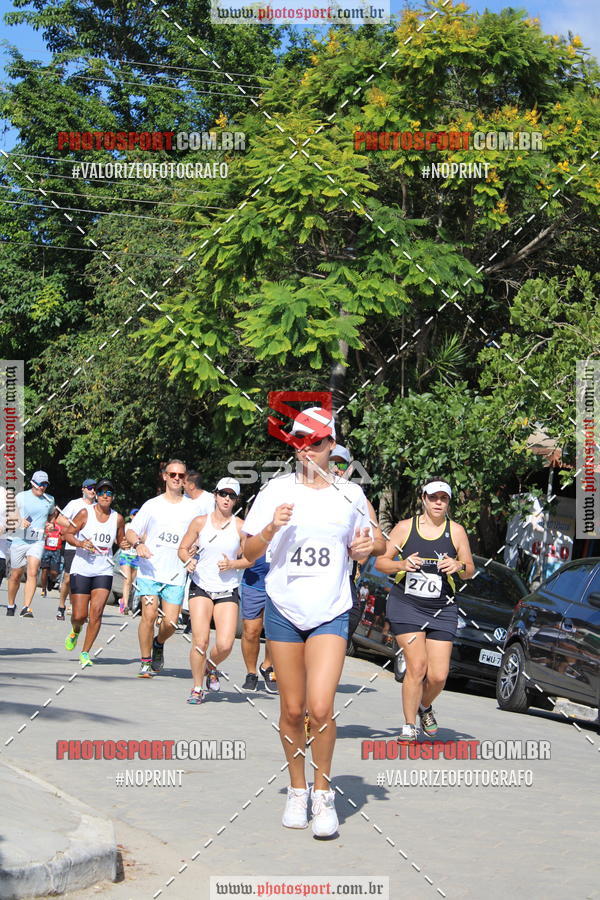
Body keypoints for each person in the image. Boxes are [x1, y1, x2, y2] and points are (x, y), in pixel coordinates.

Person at [243, 407, 376, 837]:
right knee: (292, 709)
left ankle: (323, 793)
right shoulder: (274, 491)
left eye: (315, 442)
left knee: (320, 707)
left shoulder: (351, 495)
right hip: (285, 609)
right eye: (299, 440)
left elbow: (371, 542)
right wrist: (269, 530)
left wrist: (363, 550)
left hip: (331, 609)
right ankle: (296, 789)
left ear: (331, 446)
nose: (306, 449)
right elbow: (248, 552)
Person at [375, 480, 475, 742]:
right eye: (433, 498)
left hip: (443, 608)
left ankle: (424, 706)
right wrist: (402, 564)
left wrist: (457, 566)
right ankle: (409, 726)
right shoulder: (405, 528)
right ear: (423, 499)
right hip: (406, 605)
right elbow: (381, 563)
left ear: (449, 501)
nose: (438, 502)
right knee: (417, 667)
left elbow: (470, 569)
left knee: (439, 676)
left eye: (443, 498)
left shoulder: (456, 532)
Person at [178, 477, 250, 704]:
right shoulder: (200, 522)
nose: (227, 499)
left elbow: (249, 559)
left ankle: (211, 665)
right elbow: (182, 548)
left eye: (231, 496)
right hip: (201, 586)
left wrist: (233, 564)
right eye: (223, 494)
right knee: (200, 642)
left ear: (236, 499)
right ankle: (197, 687)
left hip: (227, 588)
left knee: (226, 644)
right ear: (215, 495)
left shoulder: (240, 526)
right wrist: (187, 560)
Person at [126, 459, 196, 678]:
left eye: (181, 475)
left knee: (171, 623)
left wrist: (195, 550)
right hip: (151, 571)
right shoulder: (152, 505)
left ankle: (159, 643)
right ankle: (145, 662)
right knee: (148, 614)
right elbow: (130, 531)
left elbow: (199, 536)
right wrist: (139, 545)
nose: (177, 478)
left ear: (186, 480)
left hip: (176, 574)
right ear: (165, 476)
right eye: (172, 474)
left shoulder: (193, 508)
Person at [64, 479, 128, 667]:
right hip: (82, 567)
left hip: (103, 568)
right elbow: (67, 534)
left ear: (113, 497)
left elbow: (121, 539)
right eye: (101, 492)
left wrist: (124, 543)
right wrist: (81, 543)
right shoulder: (85, 513)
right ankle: (75, 630)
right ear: (96, 495)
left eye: (109, 493)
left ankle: (85, 652)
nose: (105, 496)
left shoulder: (118, 518)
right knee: (79, 615)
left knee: (97, 612)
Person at [6, 471, 55, 617]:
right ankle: (10, 605)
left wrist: (50, 524)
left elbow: (52, 514)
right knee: (15, 574)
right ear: (33, 483)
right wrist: (20, 521)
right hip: (19, 540)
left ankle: (26, 607)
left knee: (33, 571)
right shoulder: (21, 497)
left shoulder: (49, 499)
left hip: (37, 541)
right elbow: (10, 514)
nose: (42, 487)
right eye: (40, 484)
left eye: (45, 484)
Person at [56, 478, 97, 620]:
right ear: (83, 489)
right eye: (90, 488)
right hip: (72, 545)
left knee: (83, 579)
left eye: (94, 488)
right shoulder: (75, 504)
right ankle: (61, 606)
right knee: (68, 578)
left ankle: (79, 609)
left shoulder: (98, 507)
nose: (93, 490)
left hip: (88, 547)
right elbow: (59, 519)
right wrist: (74, 525)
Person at [240, 552, 276, 693]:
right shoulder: (252, 528)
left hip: (281, 583)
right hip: (254, 582)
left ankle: (267, 666)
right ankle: (251, 673)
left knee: (275, 631)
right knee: (251, 631)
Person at [117, 508, 140, 614]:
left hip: (136, 557)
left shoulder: (142, 528)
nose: (136, 516)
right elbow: (118, 539)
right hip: (125, 555)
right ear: (131, 516)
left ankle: (123, 599)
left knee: (131, 582)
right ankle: (125, 605)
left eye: (138, 514)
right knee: (127, 579)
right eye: (134, 514)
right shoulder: (127, 526)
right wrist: (122, 543)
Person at [40, 509, 65, 596]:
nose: (54, 513)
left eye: (56, 511)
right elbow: (40, 534)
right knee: (44, 570)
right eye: (53, 511)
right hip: (46, 550)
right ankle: (43, 589)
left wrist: (62, 537)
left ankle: (51, 580)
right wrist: (45, 533)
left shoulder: (60, 525)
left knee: (54, 572)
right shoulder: (45, 523)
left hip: (56, 550)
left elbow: (64, 536)